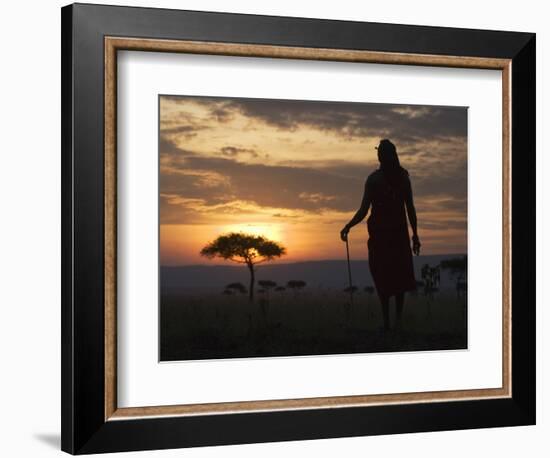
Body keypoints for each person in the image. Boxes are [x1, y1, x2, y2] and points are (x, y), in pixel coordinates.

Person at [340, 139, 420, 331]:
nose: (378, 156)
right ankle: (394, 322)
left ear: (383, 156)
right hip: (392, 235)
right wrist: (415, 235)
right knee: (393, 276)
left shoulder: (377, 179)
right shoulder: (401, 178)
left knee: (386, 276)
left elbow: (364, 210)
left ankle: (389, 323)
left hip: (385, 237)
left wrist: (348, 226)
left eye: (380, 153)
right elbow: (410, 209)